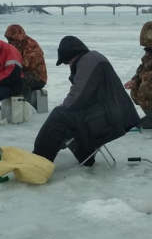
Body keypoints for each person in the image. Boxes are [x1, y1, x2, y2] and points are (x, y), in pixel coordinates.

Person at [33, 35, 140, 166]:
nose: (69, 66)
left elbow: (78, 96)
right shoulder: (92, 57)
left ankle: (38, 161)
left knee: (59, 116)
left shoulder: (87, 61)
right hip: (115, 114)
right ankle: (85, 155)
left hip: (110, 118)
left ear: (71, 56)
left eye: (68, 63)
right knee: (69, 117)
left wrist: (65, 105)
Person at [4, 24, 47, 101]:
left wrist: (9, 67)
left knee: (21, 81)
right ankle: (10, 103)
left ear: (17, 38)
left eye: (11, 39)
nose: (10, 42)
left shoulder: (31, 45)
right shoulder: (13, 46)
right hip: (21, 73)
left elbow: (27, 65)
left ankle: (25, 105)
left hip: (37, 77)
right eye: (8, 39)